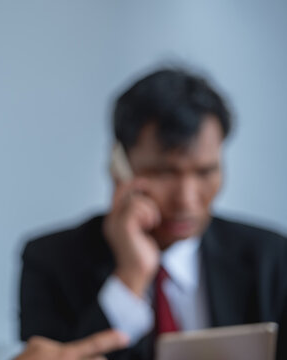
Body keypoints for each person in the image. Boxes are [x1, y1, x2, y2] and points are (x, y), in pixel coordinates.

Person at [19, 68, 287, 359]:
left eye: (205, 171)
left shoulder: (271, 258)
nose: (186, 200)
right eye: (163, 172)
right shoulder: (51, 262)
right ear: (119, 165)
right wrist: (131, 277)